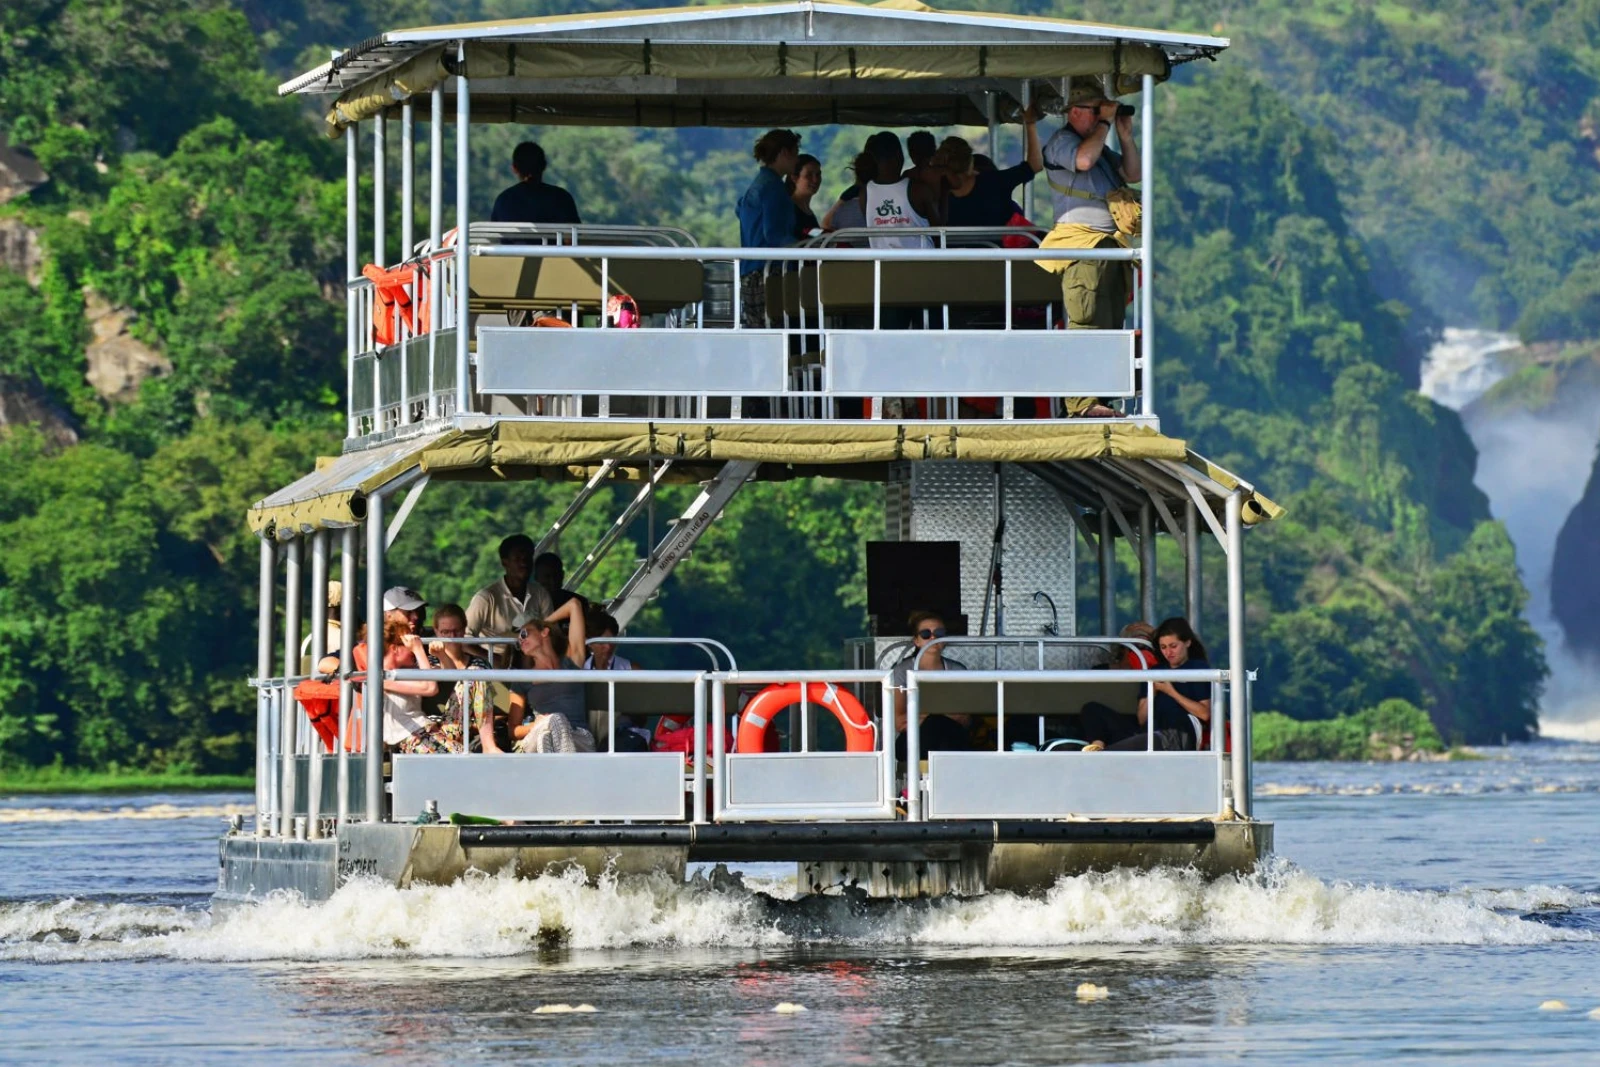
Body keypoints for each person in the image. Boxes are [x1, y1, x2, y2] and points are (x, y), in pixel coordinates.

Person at [1038, 82, 1141, 418]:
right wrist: (1105, 125)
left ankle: (1102, 398)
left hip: (1109, 246)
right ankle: (1081, 403)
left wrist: (1123, 134)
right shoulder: (1062, 143)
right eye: (1097, 110)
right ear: (1076, 112)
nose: (1103, 117)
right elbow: (1082, 161)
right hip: (1080, 246)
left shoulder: (1098, 146)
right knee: (1085, 322)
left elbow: (1133, 173)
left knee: (1109, 324)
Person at [323, 616, 451, 754]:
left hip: (428, 730)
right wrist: (419, 650)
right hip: (409, 738)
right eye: (408, 645)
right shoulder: (381, 678)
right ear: (395, 648)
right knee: (459, 759)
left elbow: (451, 676)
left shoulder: (407, 670)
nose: (412, 650)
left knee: (473, 686)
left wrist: (441, 654)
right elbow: (430, 688)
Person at [1087, 617, 1212, 752]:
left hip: (1177, 733)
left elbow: (1204, 713)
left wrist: (1171, 692)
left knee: (1141, 742)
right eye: (1163, 647)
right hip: (1149, 730)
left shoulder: (1197, 668)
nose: (1168, 652)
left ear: (1187, 642)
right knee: (1092, 709)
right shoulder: (1154, 671)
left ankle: (1100, 756)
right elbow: (1141, 719)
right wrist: (1152, 691)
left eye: (1173, 646)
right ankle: (1097, 746)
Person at [508, 597, 597, 753]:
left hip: (578, 737)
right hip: (539, 734)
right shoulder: (523, 678)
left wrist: (543, 623)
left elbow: (573, 605)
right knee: (554, 722)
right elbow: (513, 730)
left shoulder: (572, 662)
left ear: (544, 632)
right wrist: (538, 724)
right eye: (518, 641)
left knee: (555, 723)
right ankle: (565, 773)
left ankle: (555, 773)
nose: (521, 640)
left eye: (523, 633)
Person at [735, 128, 801, 328]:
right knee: (775, 332)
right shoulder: (773, 188)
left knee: (758, 334)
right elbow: (773, 234)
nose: (797, 160)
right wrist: (803, 247)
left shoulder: (757, 186)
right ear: (783, 154)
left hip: (749, 271)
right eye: (795, 153)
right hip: (767, 273)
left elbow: (739, 210)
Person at [935, 110, 1042, 229]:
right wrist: (1030, 124)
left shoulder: (934, 193)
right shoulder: (993, 182)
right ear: (970, 164)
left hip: (954, 247)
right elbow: (1035, 165)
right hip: (998, 246)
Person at [891, 610, 971, 762]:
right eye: (926, 634)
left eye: (939, 633)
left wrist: (922, 715)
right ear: (916, 641)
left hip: (951, 737)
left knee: (942, 727)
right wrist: (938, 715)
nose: (933, 638)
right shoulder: (901, 671)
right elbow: (900, 723)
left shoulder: (958, 670)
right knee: (935, 724)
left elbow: (964, 719)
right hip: (915, 740)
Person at [466, 535, 553, 667]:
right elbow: (464, 640)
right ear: (504, 562)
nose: (524, 563)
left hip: (533, 665)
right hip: (494, 669)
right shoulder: (486, 598)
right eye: (517, 559)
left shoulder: (540, 594)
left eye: (527, 558)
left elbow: (551, 632)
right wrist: (495, 660)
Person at [1078, 621, 1159, 747]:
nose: (1141, 652)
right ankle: (1096, 749)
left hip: (1137, 732)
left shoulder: (1155, 673)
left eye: (1146, 647)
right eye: (1137, 645)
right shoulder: (1100, 671)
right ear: (1123, 647)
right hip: (1106, 726)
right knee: (1091, 710)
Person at [862, 132, 939, 247]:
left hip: (882, 263)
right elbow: (939, 230)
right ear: (899, 155)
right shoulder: (919, 190)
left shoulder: (865, 193)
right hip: (922, 263)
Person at [490, 141, 581, 225]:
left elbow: (494, 237)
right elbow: (571, 238)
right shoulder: (562, 198)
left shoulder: (503, 200)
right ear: (544, 166)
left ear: (514, 168)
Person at [788, 154, 823, 236]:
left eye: (818, 175)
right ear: (794, 178)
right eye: (809, 175)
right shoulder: (789, 209)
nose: (815, 180)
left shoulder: (806, 210)